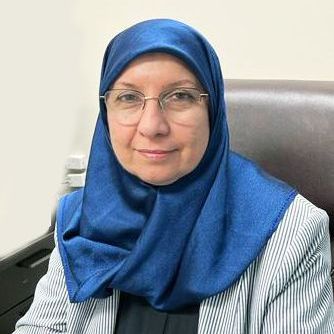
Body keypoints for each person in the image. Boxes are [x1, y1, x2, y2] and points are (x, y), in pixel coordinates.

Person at [14, 19, 334, 333]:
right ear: (106, 112)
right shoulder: (81, 219)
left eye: (180, 96)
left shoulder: (292, 233)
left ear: (212, 112)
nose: (152, 126)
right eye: (128, 98)